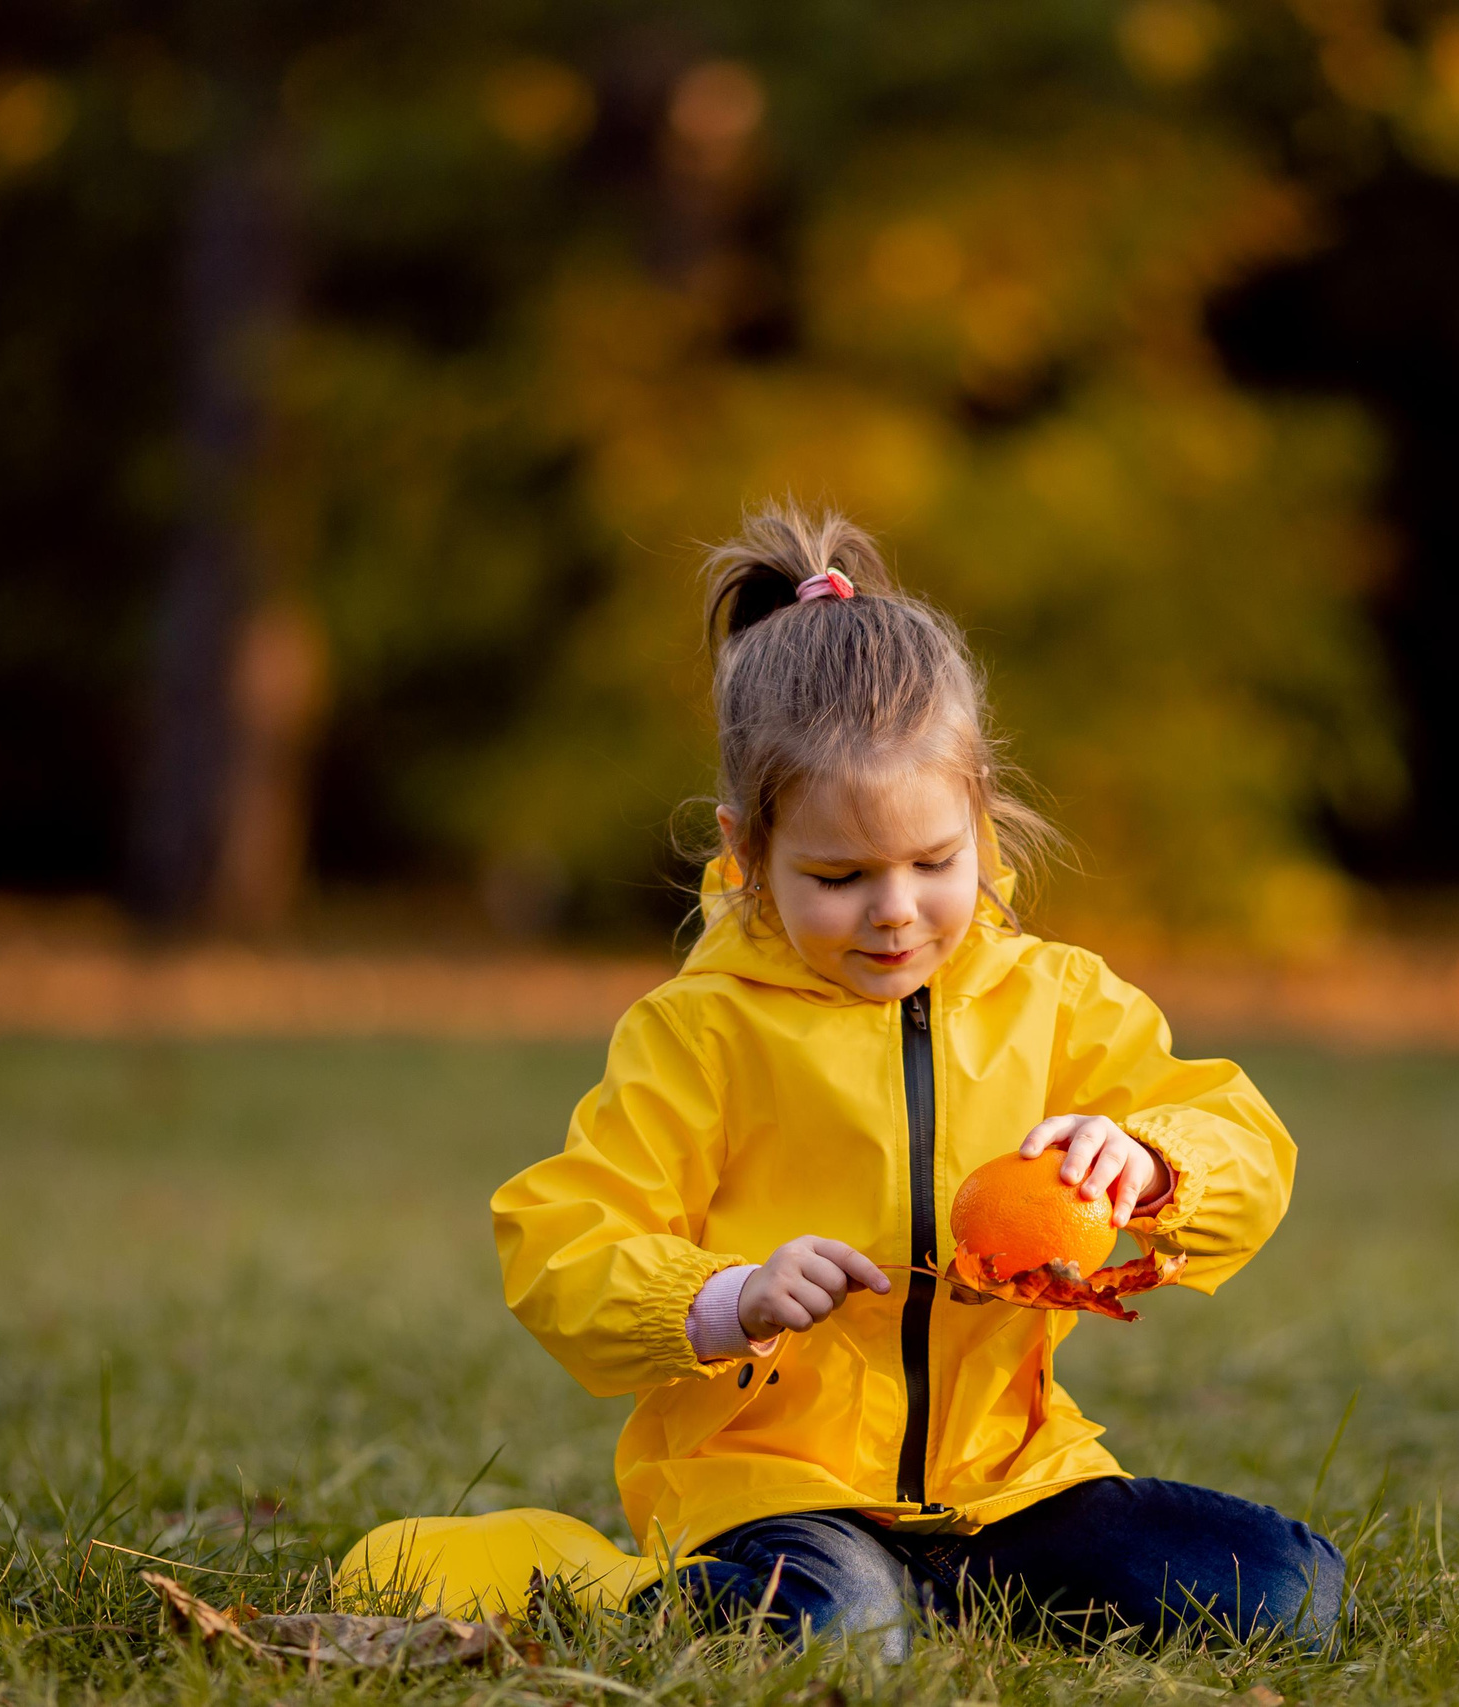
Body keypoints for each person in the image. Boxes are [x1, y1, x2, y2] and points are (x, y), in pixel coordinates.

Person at [491, 503, 1342, 1660]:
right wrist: (727, 1297)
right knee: (837, 1630)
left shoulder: (1055, 998)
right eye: (839, 877)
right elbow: (560, 1241)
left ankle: (928, 1599)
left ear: (980, 818)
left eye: (934, 861)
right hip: (773, 1488)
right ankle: (613, 1588)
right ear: (748, 853)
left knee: (1287, 1594)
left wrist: (1151, 1162)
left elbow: (1244, 1139)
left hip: (1010, 1485)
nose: (894, 911)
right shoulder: (700, 1031)